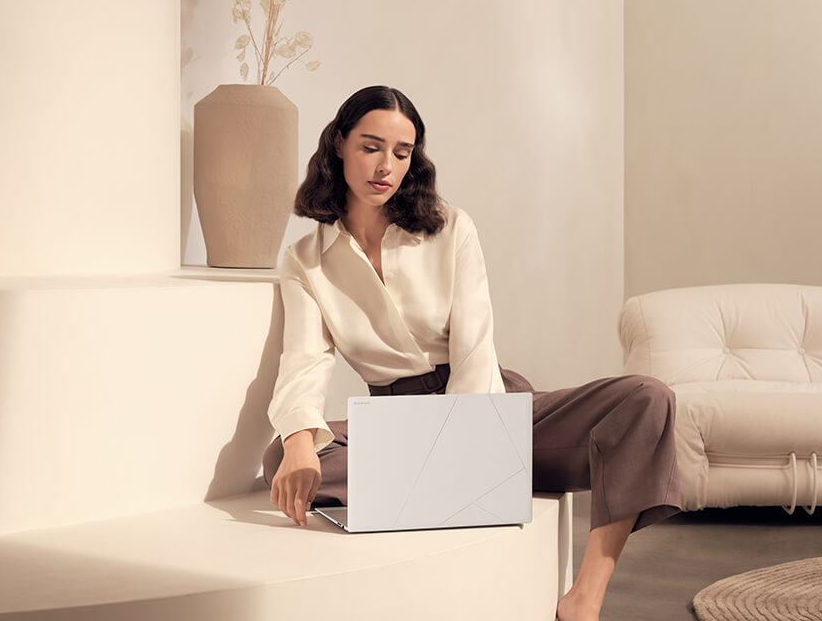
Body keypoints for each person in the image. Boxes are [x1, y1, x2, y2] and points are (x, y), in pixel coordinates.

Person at [261, 85, 680, 621]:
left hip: (488, 403)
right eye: (370, 147)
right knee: (283, 456)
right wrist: (298, 440)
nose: (385, 166)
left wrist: (470, 443)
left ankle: (586, 597)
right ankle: (480, 479)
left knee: (646, 399)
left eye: (401, 152)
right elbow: (304, 359)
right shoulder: (305, 262)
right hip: (399, 424)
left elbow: (475, 347)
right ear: (339, 144)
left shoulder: (451, 228)